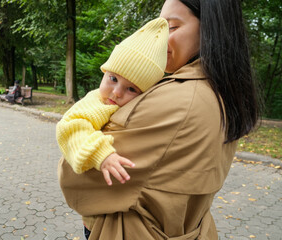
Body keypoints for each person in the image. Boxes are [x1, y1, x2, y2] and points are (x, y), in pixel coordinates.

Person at [58, 0, 260, 239]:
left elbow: (75, 178)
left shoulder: (179, 99)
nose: (162, 38)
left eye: (172, 27)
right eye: (160, 26)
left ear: (210, 29)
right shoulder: (222, 94)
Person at [56, 18, 168, 186]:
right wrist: (102, 155)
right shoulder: (96, 102)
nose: (116, 92)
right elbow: (70, 127)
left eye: (131, 89)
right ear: (104, 71)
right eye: (113, 78)